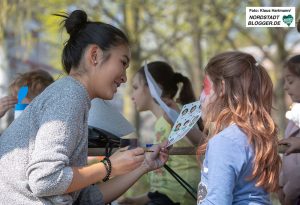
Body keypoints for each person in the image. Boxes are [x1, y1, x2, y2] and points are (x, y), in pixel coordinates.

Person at [0, 10, 168, 205]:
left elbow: (84, 198)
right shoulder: (69, 95)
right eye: (123, 63)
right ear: (95, 55)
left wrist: (143, 165)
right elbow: (45, 181)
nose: (124, 77)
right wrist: (110, 166)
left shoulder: (73, 96)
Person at [197, 51, 281, 204]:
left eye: (205, 87)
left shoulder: (224, 142)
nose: (201, 96)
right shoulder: (256, 134)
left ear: (222, 88)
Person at [119, 61, 201, 205]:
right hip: (164, 198)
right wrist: (135, 200)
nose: (132, 96)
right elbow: (163, 189)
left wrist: (177, 119)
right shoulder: (159, 123)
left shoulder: (177, 113)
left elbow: (202, 144)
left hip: (179, 198)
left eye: (136, 87)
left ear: (153, 88)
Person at [278, 54, 300, 205]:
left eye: (290, 81)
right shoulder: (294, 116)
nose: (285, 87)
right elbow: (289, 159)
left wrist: (290, 195)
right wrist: (280, 184)